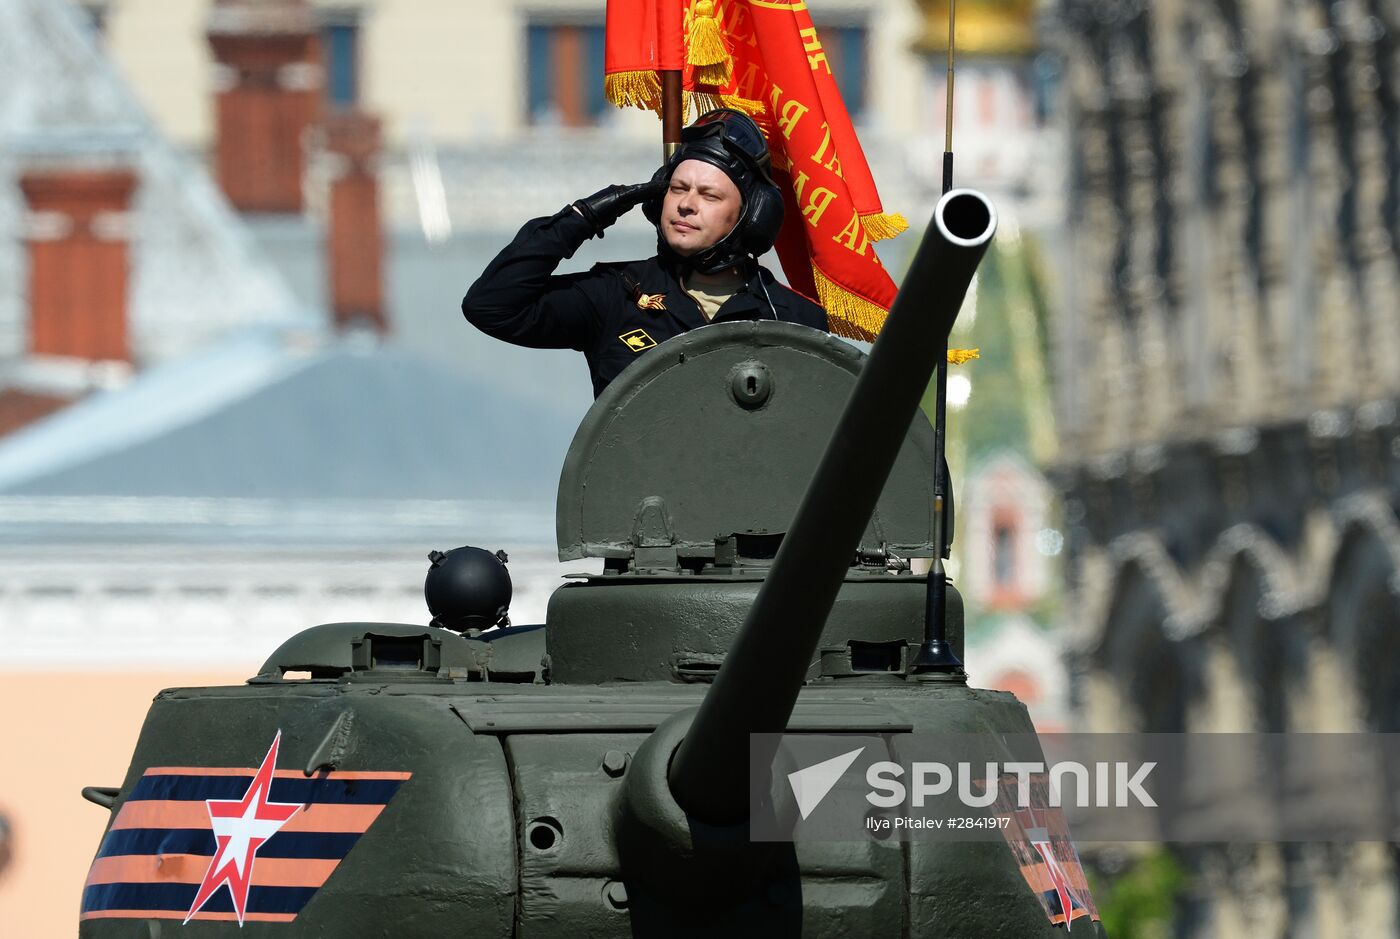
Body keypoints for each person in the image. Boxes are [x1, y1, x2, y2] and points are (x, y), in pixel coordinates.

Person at [461, 109, 827, 398]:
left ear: (752, 219)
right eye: (678, 189)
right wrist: (585, 216)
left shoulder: (793, 319)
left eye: (709, 195)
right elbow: (492, 307)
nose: (686, 205)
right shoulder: (615, 294)